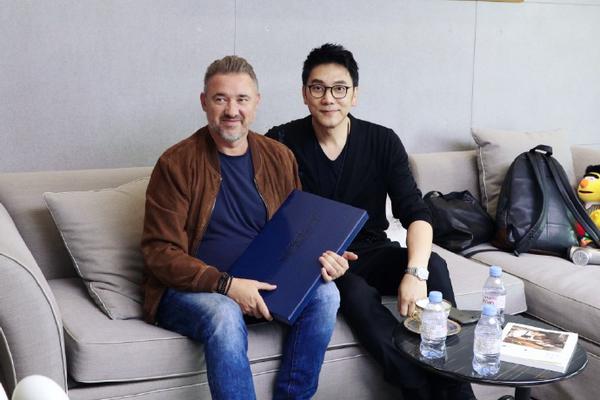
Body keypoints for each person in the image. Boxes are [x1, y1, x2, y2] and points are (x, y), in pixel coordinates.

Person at [266, 44, 476, 400]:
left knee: (435, 265)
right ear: (304, 94)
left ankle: (454, 382)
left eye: (339, 88)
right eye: (318, 88)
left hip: (372, 249)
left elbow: (416, 213)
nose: (328, 98)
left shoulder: (382, 140)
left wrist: (415, 273)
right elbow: (273, 221)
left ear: (354, 95)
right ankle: (416, 387)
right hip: (320, 262)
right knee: (356, 294)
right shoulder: (281, 142)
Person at [141, 55, 355, 400]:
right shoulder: (175, 164)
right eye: (220, 98)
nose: (232, 110)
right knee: (225, 313)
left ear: (256, 103)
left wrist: (327, 260)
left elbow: (297, 234)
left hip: (262, 282)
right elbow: (159, 253)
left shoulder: (279, 157)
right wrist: (227, 285)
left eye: (242, 99)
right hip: (191, 291)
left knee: (326, 294)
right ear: (204, 102)